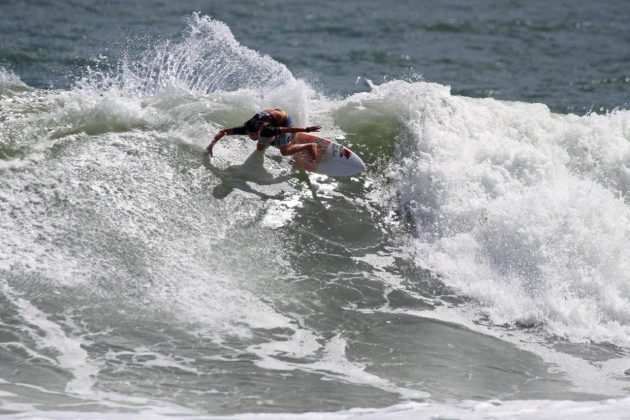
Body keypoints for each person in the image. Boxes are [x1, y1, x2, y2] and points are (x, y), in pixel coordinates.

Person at [204, 108, 321, 159]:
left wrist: (307, 129)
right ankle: (276, 139)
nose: (253, 137)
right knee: (260, 148)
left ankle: (310, 146)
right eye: (251, 135)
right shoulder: (245, 128)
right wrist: (211, 144)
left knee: (284, 152)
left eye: (256, 135)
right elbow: (223, 131)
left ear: (260, 130)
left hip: (284, 119)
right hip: (271, 115)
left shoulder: (267, 130)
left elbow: (287, 129)